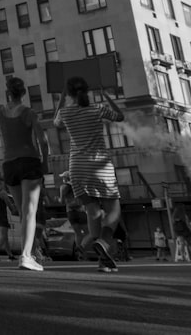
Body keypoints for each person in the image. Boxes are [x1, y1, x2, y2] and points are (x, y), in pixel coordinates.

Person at [0, 75, 49, 272]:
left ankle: (28, 254)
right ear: (23, 93)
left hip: (9, 165)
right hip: (29, 162)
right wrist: (46, 162)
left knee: (23, 212)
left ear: (8, 93)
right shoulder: (29, 112)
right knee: (30, 210)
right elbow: (43, 141)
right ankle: (26, 256)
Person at [54, 76, 125, 274]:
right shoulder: (97, 109)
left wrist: (61, 98)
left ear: (69, 94)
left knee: (93, 214)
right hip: (101, 167)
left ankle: (103, 260)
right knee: (114, 211)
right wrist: (107, 96)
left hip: (77, 169)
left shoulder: (65, 112)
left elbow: (55, 122)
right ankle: (102, 241)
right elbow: (120, 117)